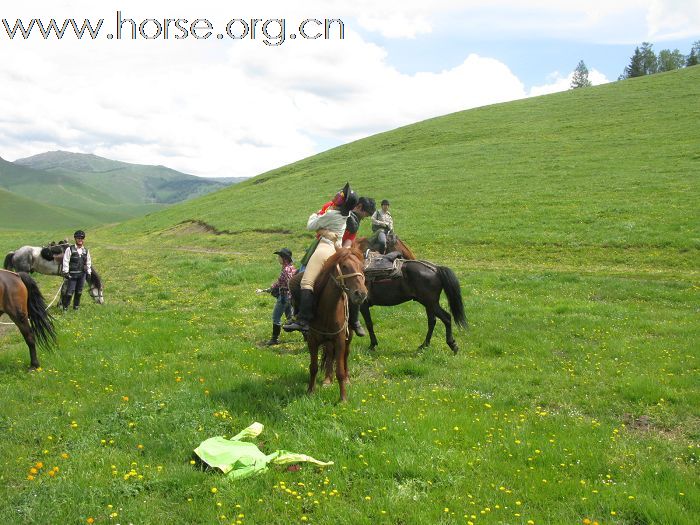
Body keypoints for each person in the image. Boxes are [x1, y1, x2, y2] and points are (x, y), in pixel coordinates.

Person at [284, 183, 358, 334]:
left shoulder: (331, 214)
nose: (339, 195)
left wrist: (316, 214)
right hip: (335, 248)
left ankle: (303, 319)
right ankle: (354, 321)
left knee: (306, 282)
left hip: (325, 247)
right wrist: (324, 229)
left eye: (342, 196)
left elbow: (310, 225)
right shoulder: (346, 214)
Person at [341, 196, 376, 337]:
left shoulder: (355, 220)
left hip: (344, 249)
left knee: (357, 279)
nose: (365, 217)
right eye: (365, 214)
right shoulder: (344, 214)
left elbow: (350, 238)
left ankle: (354, 320)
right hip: (329, 245)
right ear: (360, 207)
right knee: (306, 277)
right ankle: (303, 317)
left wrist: (347, 251)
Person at [256, 248, 296, 346]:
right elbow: (278, 283)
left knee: (276, 317)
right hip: (288, 297)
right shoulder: (290, 267)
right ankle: (306, 335)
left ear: (284, 258)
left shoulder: (286, 270)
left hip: (284, 297)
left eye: (279, 256)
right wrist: (264, 290)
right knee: (290, 318)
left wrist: (290, 298)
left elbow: (290, 284)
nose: (278, 258)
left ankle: (274, 339)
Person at [61, 230, 92, 312]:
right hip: (72, 275)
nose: (80, 239)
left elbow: (88, 262)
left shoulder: (86, 250)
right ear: (75, 239)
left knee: (79, 292)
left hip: (82, 275)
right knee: (69, 292)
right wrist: (66, 272)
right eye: (78, 238)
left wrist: (89, 272)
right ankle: (65, 308)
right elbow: (66, 260)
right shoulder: (69, 249)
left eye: (82, 238)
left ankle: (76, 308)